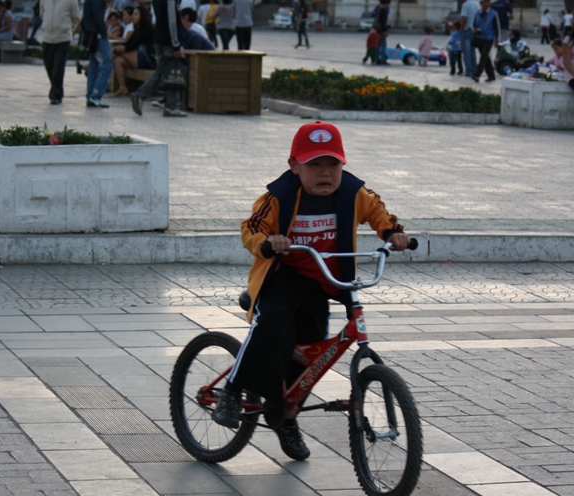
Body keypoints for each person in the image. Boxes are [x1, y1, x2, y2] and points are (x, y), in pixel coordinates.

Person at [212, 120, 410, 461]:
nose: (325, 173)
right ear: (294, 166)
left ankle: (285, 416)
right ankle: (231, 391)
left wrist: (392, 233)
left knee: (309, 352)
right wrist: (268, 242)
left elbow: (379, 213)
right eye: (314, 164)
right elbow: (252, 228)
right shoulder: (280, 197)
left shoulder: (354, 193)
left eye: (333, 164)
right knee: (273, 326)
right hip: (282, 276)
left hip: (323, 283)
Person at [130, 0, 186, 117]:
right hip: (168, 41)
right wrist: (176, 45)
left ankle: (142, 95)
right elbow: (172, 21)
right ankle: (170, 106)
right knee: (171, 72)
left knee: (162, 70)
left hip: (159, 38)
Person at [40, 0, 80, 105]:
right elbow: (42, 14)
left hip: (63, 38)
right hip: (47, 37)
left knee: (58, 67)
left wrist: (71, 30)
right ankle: (57, 90)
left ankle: (55, 95)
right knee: (49, 66)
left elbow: (76, 17)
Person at [110, 5, 154, 97]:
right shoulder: (137, 29)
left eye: (136, 14)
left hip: (148, 59)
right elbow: (129, 43)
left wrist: (115, 49)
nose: (133, 17)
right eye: (133, 14)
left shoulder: (147, 29)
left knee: (117, 53)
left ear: (142, 16)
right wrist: (117, 49)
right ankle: (123, 87)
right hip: (138, 57)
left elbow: (133, 45)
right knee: (117, 60)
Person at [81, 0, 113, 108]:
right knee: (107, 64)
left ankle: (90, 96)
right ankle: (96, 95)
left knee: (94, 65)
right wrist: (104, 34)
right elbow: (98, 18)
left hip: (90, 35)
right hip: (98, 36)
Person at [471, 0, 500, 83]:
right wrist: (475, 30)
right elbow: (474, 25)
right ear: (481, 3)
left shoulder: (494, 14)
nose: (486, 4)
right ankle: (491, 75)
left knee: (483, 56)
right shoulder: (477, 14)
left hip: (489, 38)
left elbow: (497, 28)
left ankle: (477, 74)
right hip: (480, 38)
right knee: (486, 58)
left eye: (488, 2)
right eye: (485, 2)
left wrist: (497, 40)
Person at [459, 0, 479, 81]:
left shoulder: (465, 5)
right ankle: (474, 69)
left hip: (467, 29)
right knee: (472, 51)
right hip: (474, 30)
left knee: (466, 51)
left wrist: (461, 28)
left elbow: (465, 18)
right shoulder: (477, 4)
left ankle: (468, 70)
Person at [373, 0, 389, 64]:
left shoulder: (378, 10)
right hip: (381, 30)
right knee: (383, 45)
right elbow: (383, 22)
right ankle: (382, 60)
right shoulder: (383, 11)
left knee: (378, 45)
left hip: (378, 30)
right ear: (385, 3)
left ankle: (376, 59)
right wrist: (385, 31)